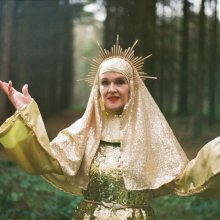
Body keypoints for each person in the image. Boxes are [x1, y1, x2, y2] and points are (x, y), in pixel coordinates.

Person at [1, 36, 220, 219]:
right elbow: (47, 159)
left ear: (132, 86)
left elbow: (183, 178)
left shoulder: (152, 131)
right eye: (105, 82)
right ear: (98, 88)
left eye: (120, 82)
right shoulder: (85, 129)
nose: (111, 89)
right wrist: (27, 112)